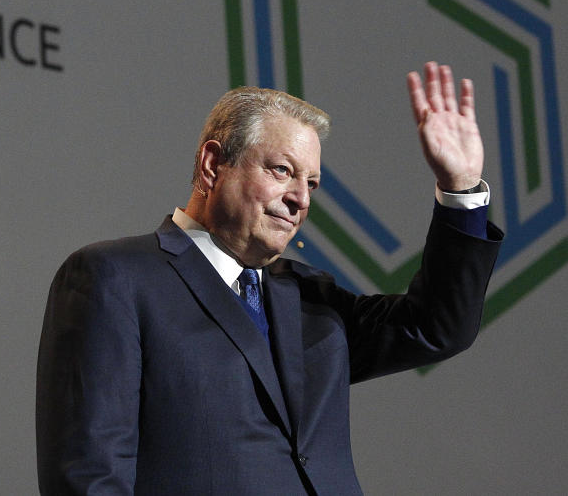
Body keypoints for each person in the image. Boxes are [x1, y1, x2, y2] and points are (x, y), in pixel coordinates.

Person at [36, 62, 503, 495]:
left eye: (312, 183)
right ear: (212, 164)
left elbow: (436, 328)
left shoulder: (310, 300)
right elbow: (89, 476)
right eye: (282, 171)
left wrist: (460, 188)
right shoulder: (116, 278)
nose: (300, 199)